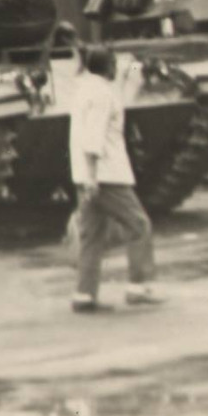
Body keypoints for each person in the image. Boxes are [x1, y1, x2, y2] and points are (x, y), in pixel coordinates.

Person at [70, 46, 160, 313]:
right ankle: (137, 287)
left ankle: (84, 295)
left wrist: (133, 65)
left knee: (91, 236)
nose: (116, 67)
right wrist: (93, 178)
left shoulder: (86, 88)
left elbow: (126, 86)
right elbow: (93, 139)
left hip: (85, 174)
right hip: (105, 175)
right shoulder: (102, 95)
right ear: (107, 67)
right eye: (114, 63)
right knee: (139, 225)